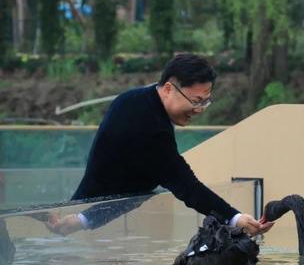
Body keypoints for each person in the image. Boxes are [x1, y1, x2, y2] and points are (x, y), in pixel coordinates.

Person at [47, 53, 273, 236]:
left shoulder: (135, 99)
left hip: (91, 213)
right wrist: (234, 217)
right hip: (92, 223)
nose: (200, 109)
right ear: (168, 89)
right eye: (195, 101)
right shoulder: (149, 125)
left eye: (205, 101)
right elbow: (187, 187)